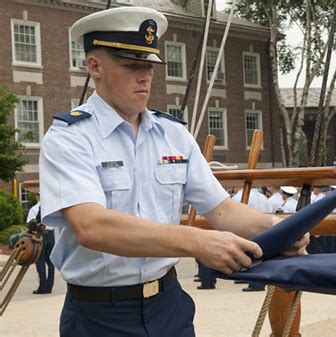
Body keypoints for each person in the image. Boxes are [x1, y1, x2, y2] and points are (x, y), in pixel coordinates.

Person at [38, 7, 308, 337]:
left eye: (149, 65)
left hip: (169, 308)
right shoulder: (69, 137)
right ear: (94, 66)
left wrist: (277, 227)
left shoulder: (173, 134)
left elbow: (221, 210)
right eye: (131, 65)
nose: (145, 76)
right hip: (98, 317)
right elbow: (91, 227)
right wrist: (196, 241)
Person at [232, 188, 272, 291]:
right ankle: (260, 282)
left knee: (249, 256)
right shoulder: (264, 198)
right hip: (263, 229)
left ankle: (254, 282)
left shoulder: (238, 197)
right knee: (261, 255)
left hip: (246, 230)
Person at [27, 193, 56, 294]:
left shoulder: (34, 209)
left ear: (37, 197)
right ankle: (49, 286)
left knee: (40, 261)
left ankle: (42, 287)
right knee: (51, 262)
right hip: (51, 234)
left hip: (40, 235)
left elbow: (30, 224)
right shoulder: (52, 208)